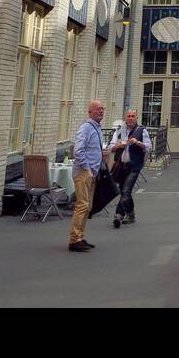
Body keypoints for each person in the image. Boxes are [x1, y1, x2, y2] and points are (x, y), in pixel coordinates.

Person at [70, 100, 109, 252]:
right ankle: (74, 240)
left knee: (88, 206)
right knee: (82, 205)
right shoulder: (85, 128)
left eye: (102, 109)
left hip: (93, 172)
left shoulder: (97, 128)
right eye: (98, 109)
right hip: (84, 173)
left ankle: (80, 236)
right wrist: (86, 168)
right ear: (90, 111)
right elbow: (78, 151)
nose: (101, 112)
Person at [110, 109, 151, 225]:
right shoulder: (119, 131)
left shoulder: (141, 131)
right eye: (128, 116)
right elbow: (111, 147)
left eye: (133, 116)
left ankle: (119, 214)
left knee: (126, 190)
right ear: (125, 118)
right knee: (124, 192)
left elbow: (148, 147)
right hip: (121, 166)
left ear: (136, 118)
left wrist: (137, 142)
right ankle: (131, 214)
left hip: (134, 166)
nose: (131, 118)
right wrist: (117, 146)